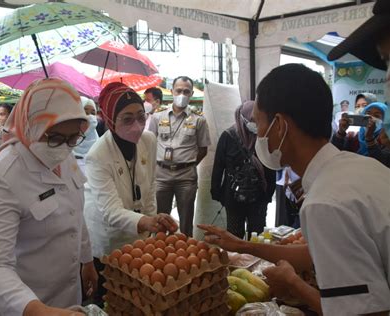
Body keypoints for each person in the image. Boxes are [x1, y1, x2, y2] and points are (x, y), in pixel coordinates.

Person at [199, 63, 390, 315]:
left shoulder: (325, 202)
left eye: (258, 124)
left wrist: (292, 283)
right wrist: (244, 246)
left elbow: (359, 312)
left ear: (280, 125)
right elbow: (314, 253)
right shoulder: (362, 168)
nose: (258, 135)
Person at [0, 78, 96, 316]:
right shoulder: (4, 176)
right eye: (54, 137)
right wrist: (35, 310)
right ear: (31, 125)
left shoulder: (63, 153)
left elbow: (76, 213)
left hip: (67, 295)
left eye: (73, 137)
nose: (64, 146)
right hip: (24, 302)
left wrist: (87, 260)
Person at [84, 82, 178, 306]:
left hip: (140, 234)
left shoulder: (149, 140)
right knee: (113, 297)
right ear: (109, 120)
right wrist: (147, 222)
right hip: (108, 236)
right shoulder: (98, 155)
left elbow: (151, 185)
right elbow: (111, 212)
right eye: (127, 119)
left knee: (139, 298)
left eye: (140, 117)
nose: (137, 126)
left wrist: (152, 223)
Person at [149, 76, 211, 236]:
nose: (182, 94)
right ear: (172, 91)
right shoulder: (157, 117)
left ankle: (185, 255)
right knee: (160, 220)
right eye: (179, 90)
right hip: (161, 175)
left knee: (186, 222)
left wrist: (187, 164)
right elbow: (148, 145)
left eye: (186, 91)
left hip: (186, 176)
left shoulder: (199, 120)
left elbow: (203, 149)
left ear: (191, 94)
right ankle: (160, 254)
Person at [210, 101, 275, 238]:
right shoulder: (228, 136)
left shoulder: (264, 137)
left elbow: (270, 166)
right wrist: (217, 192)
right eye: (252, 120)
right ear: (242, 118)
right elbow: (218, 166)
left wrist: (268, 194)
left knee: (257, 235)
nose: (255, 124)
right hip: (233, 198)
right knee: (234, 235)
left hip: (259, 198)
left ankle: (254, 260)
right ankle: (236, 260)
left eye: (258, 120)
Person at [332, 102, 390, 166]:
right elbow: (335, 154)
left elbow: (384, 163)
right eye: (367, 113)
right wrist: (341, 132)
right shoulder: (353, 137)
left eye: (376, 116)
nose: (370, 118)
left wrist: (369, 138)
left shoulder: (386, 141)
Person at [72, 97, 99, 175]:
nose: (90, 117)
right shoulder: (67, 141)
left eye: (93, 113)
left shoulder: (99, 143)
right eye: (86, 112)